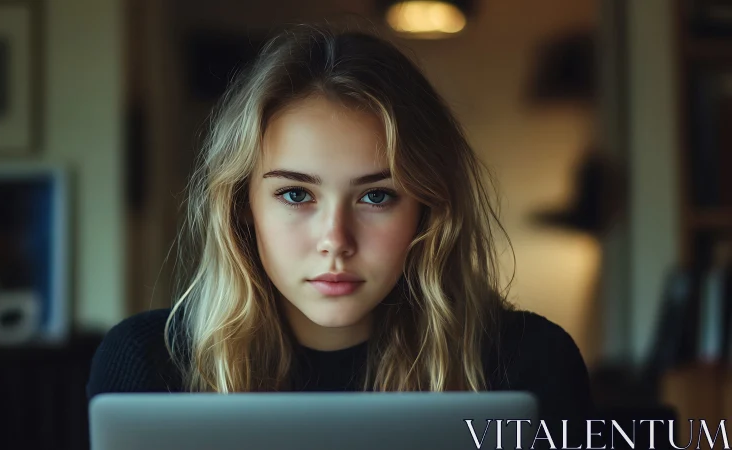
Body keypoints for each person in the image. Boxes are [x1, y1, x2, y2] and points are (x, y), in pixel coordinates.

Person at [87, 24, 594, 445]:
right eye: (295, 194)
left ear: (428, 209)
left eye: (376, 196)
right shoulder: (148, 364)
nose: (335, 239)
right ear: (243, 207)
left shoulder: (529, 362)